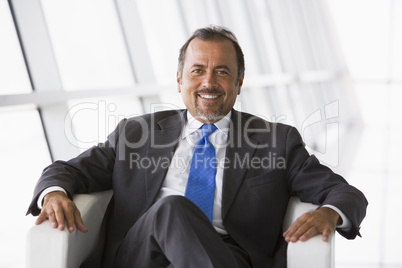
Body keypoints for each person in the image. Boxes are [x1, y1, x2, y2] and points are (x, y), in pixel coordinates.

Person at [27, 26, 367, 268]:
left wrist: (328, 212)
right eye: (197, 70)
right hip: (140, 256)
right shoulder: (137, 133)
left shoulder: (277, 140)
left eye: (221, 72)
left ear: (238, 82)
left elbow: (344, 193)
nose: (209, 82)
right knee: (171, 209)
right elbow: (67, 171)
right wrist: (55, 193)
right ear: (179, 80)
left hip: (228, 257)